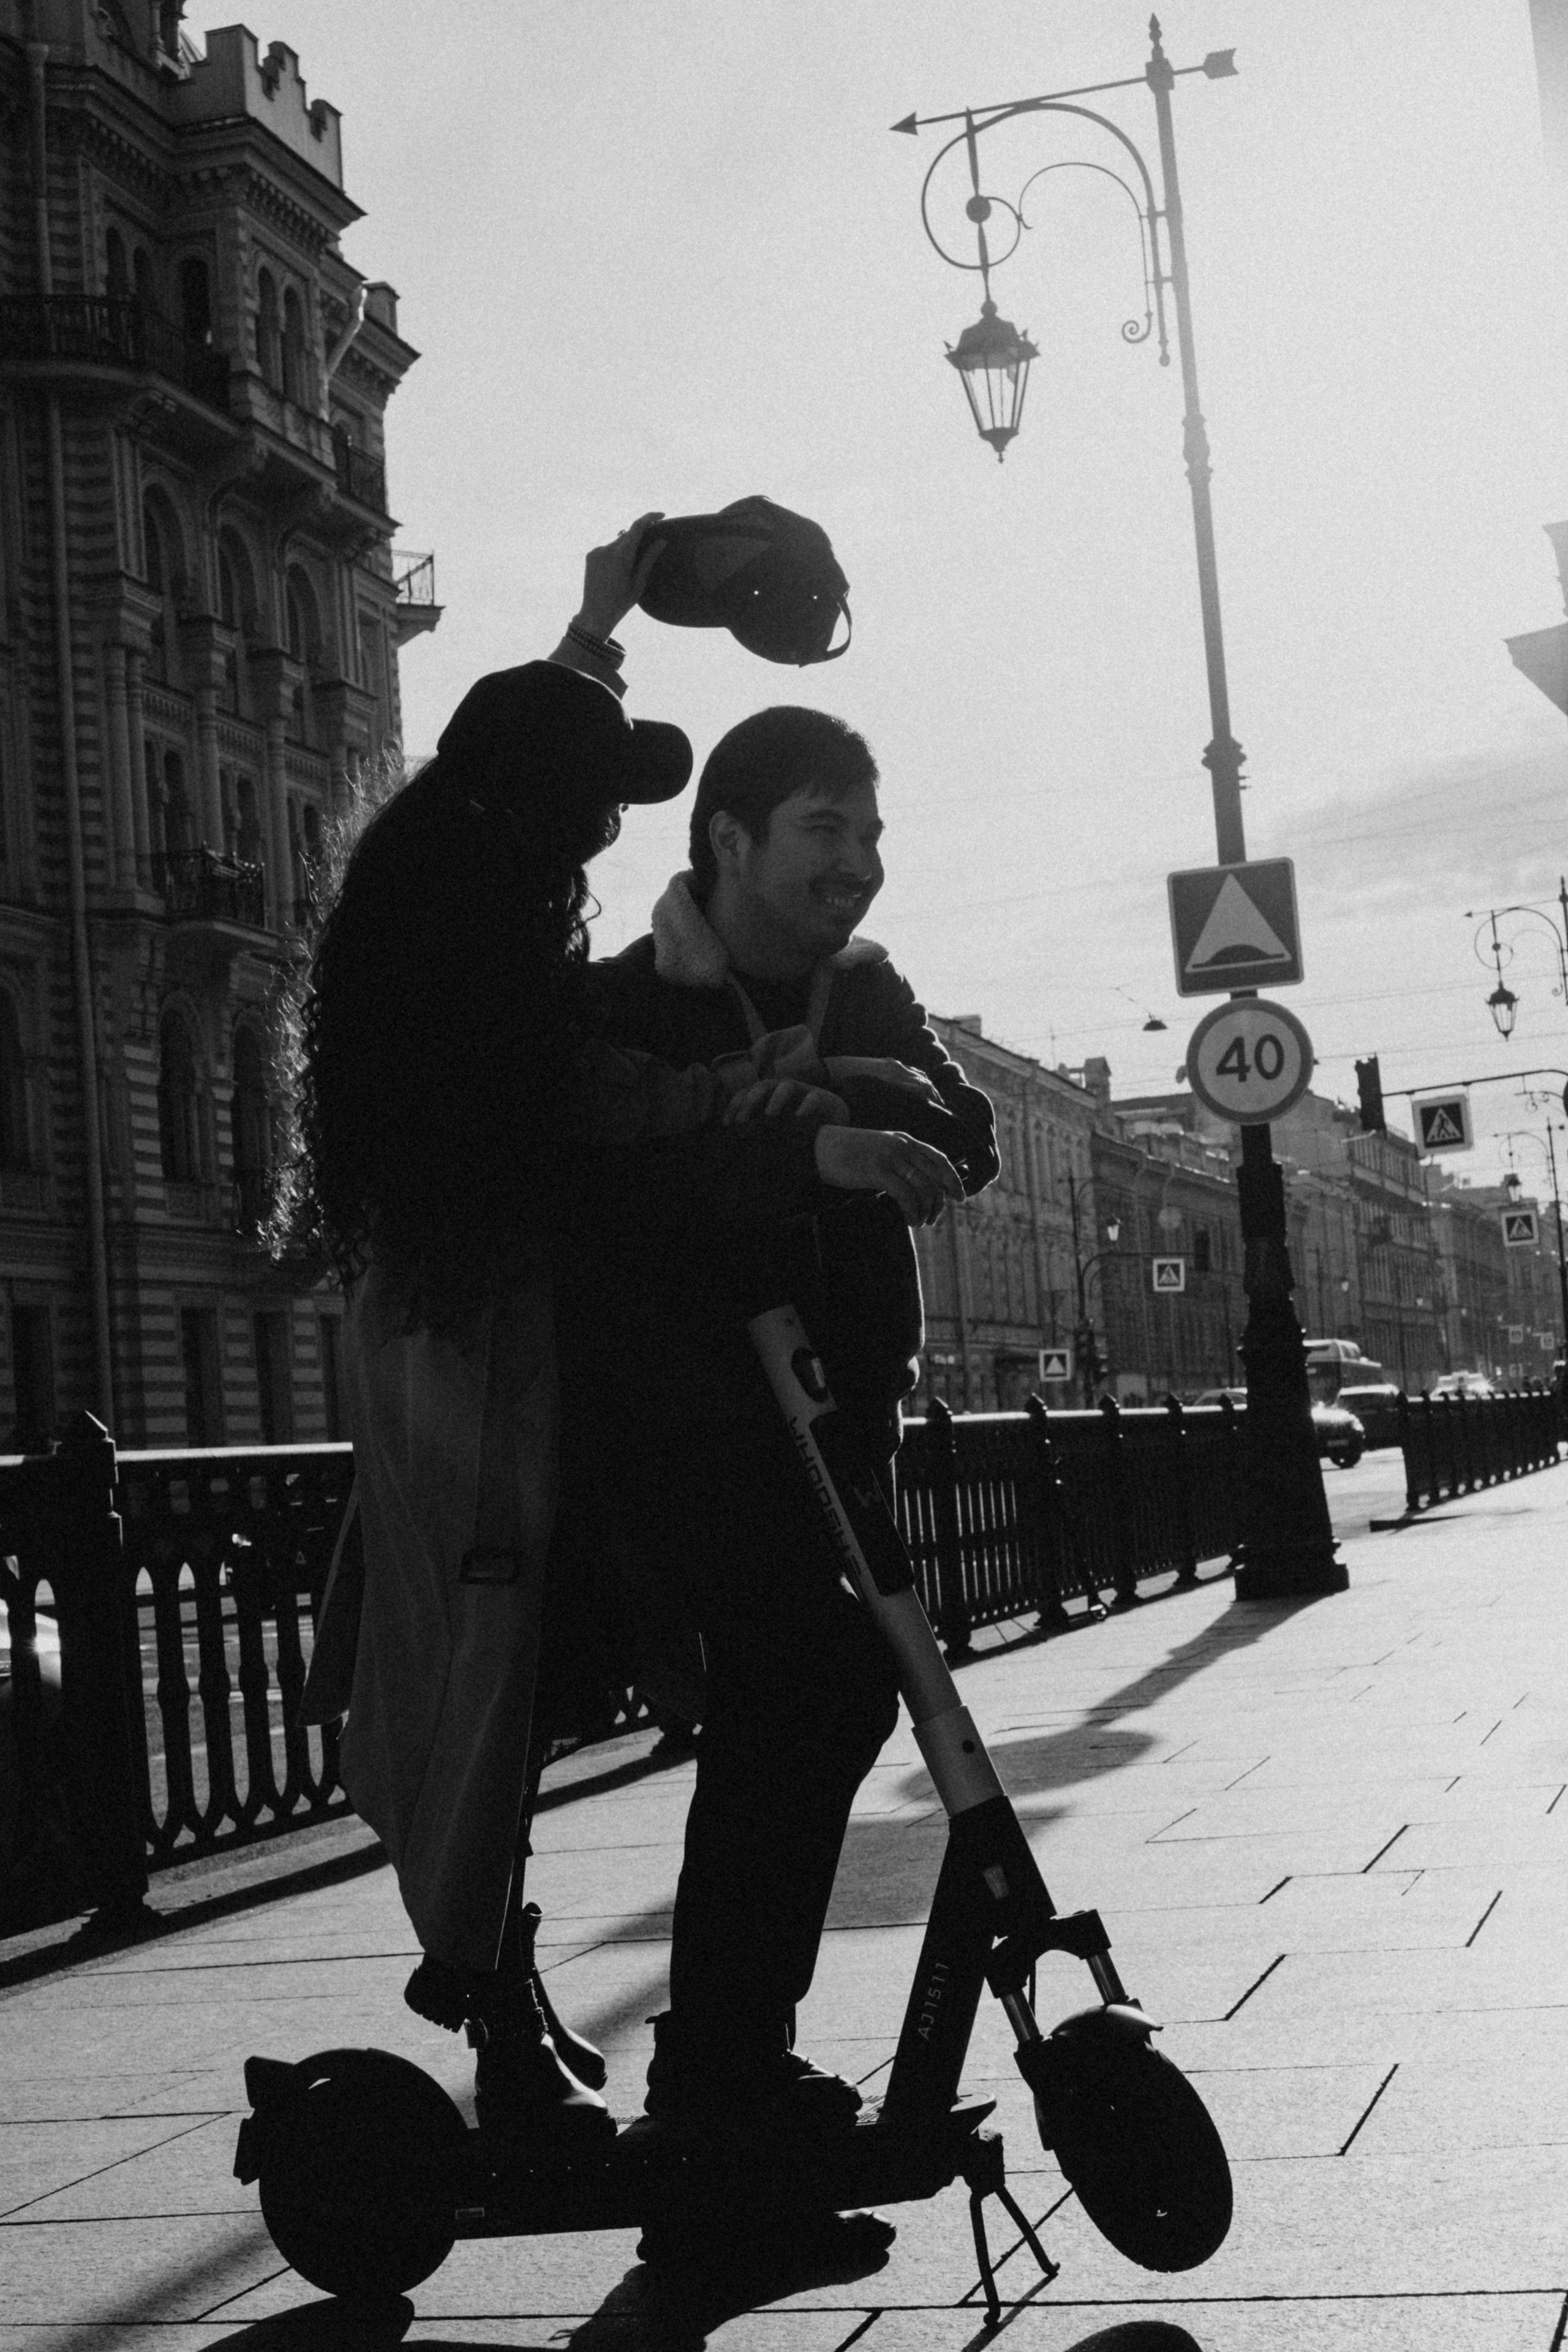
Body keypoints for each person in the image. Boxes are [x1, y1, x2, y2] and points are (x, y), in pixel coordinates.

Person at [285, 521, 963, 2176]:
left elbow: (529, 749)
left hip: (515, 1359)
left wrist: (598, 620)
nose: (608, 829)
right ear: (536, 819)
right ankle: (544, 2014)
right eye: (594, 805)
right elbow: (602, 1121)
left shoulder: (470, 876)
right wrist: (801, 1131)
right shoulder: (478, 958)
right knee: (489, 1678)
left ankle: (571, 2025)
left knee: (550, 1684)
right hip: (483, 1375)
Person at [564, 685, 1000, 2146]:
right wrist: (803, 1141)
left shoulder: (864, 989)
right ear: (727, 839)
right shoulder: (627, 1005)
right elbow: (622, 1195)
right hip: (686, 1428)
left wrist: (826, 1091)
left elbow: (962, 1134)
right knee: (814, 1679)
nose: (858, 864)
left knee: (819, 1691)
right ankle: (717, 2068)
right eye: (825, 830)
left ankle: (727, 2062)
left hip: (838, 1417)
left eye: (870, 833)